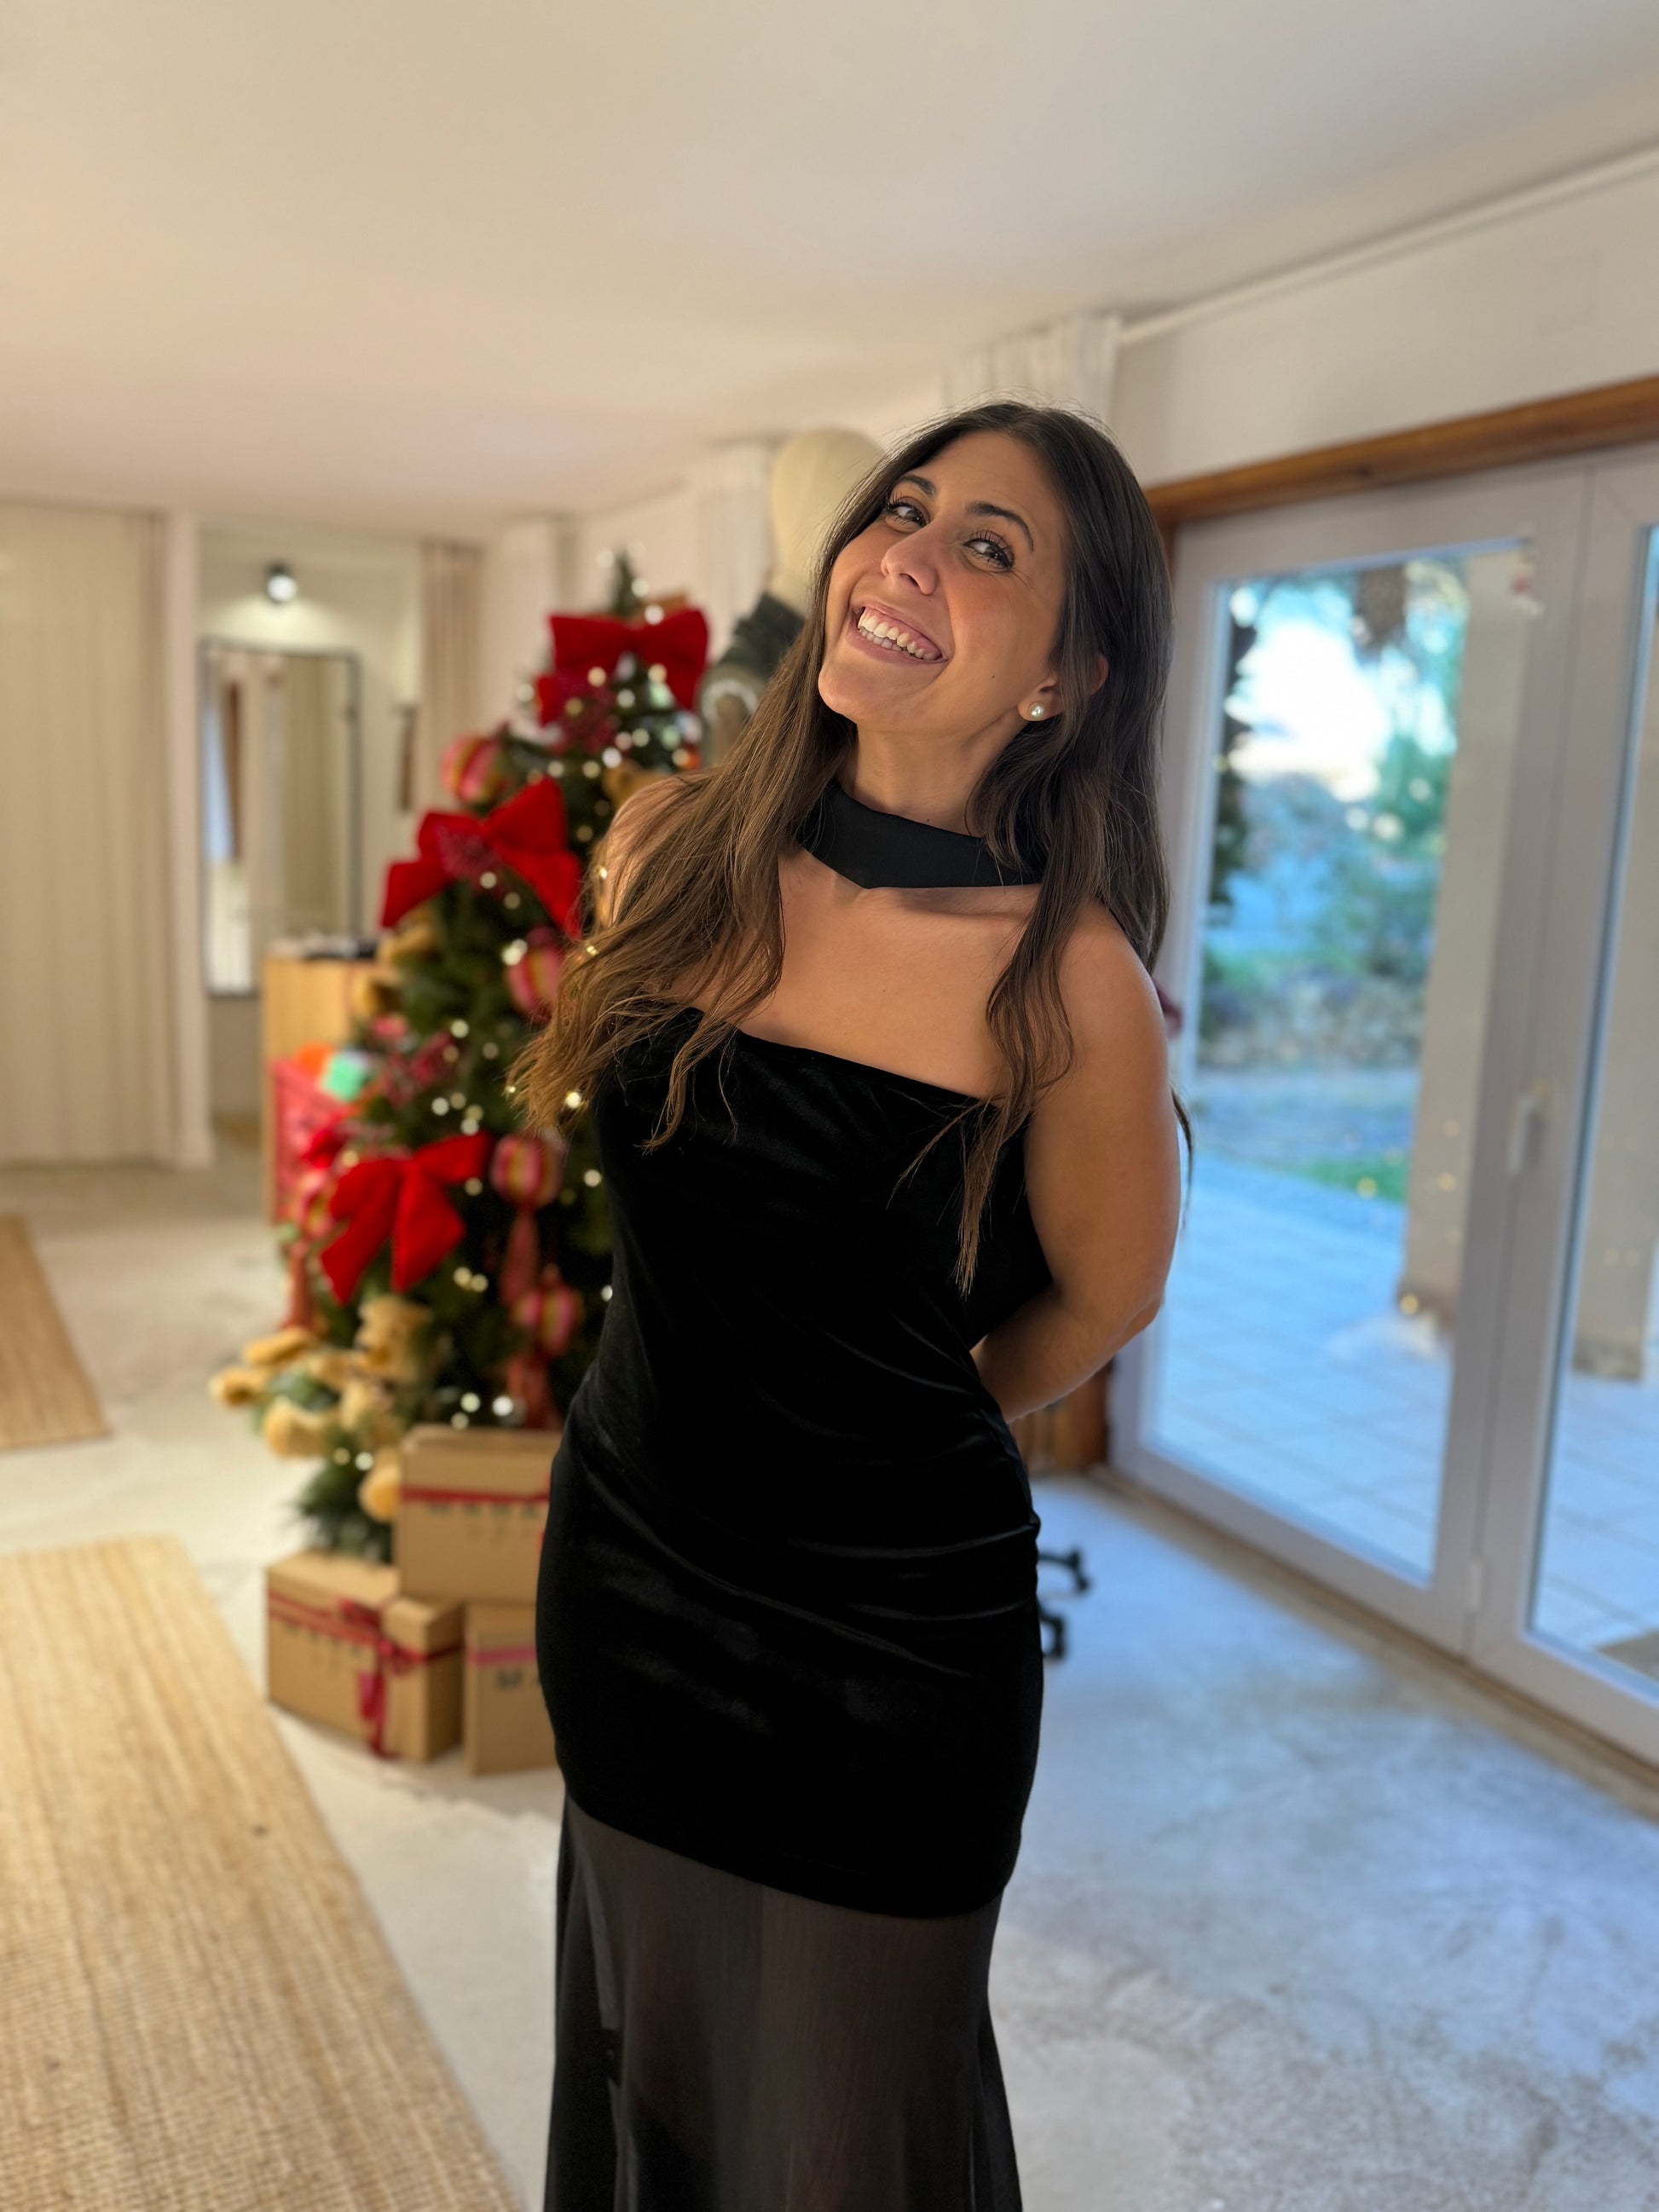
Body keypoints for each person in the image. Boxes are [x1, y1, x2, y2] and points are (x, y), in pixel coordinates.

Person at [519, 400, 1185, 2209]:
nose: (908, 554)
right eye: (904, 509)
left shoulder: (1070, 982)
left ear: (1064, 678)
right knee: (647, 2056)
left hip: (891, 1645)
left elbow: (1103, 1296)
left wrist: (887, 1415)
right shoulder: (666, 846)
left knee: (845, 2133)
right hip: (630, 1568)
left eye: (990, 546)